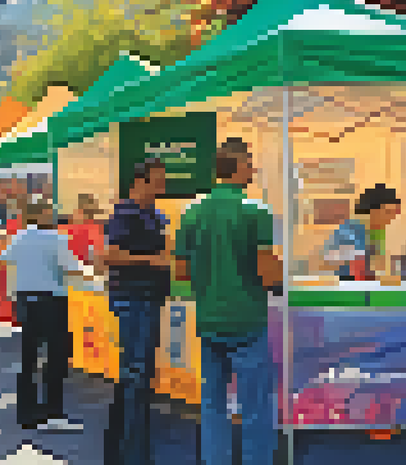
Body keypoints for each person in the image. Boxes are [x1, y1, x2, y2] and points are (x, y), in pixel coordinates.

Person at [174, 138, 280, 465]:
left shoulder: (191, 212)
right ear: (238, 167)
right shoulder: (256, 211)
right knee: (255, 404)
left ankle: (214, 459)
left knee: (213, 403)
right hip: (247, 319)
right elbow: (267, 271)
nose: (253, 169)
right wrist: (278, 277)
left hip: (208, 318)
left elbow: (181, 271)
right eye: (250, 164)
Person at [103, 158, 172, 465]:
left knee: (138, 377)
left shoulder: (153, 215)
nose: (162, 185)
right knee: (135, 376)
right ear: (140, 181)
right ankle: (131, 454)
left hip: (148, 300)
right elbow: (109, 255)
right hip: (134, 300)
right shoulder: (125, 213)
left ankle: (126, 451)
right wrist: (151, 261)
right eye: (158, 180)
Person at [0, 202, 86, 432]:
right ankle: (51, 413)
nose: (54, 216)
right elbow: (73, 267)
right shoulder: (55, 238)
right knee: (55, 357)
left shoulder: (19, 237)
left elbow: (6, 261)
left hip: (24, 300)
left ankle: (26, 414)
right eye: (50, 212)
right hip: (51, 301)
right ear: (42, 215)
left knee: (28, 357)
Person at [319, 184, 402, 280]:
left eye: (394, 213)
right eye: (388, 212)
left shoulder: (378, 231)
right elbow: (332, 264)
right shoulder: (350, 230)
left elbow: (377, 263)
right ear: (373, 210)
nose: (391, 218)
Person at [63, 194, 106, 266]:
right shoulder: (94, 228)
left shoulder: (67, 227)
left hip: (69, 265)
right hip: (84, 266)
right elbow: (98, 255)